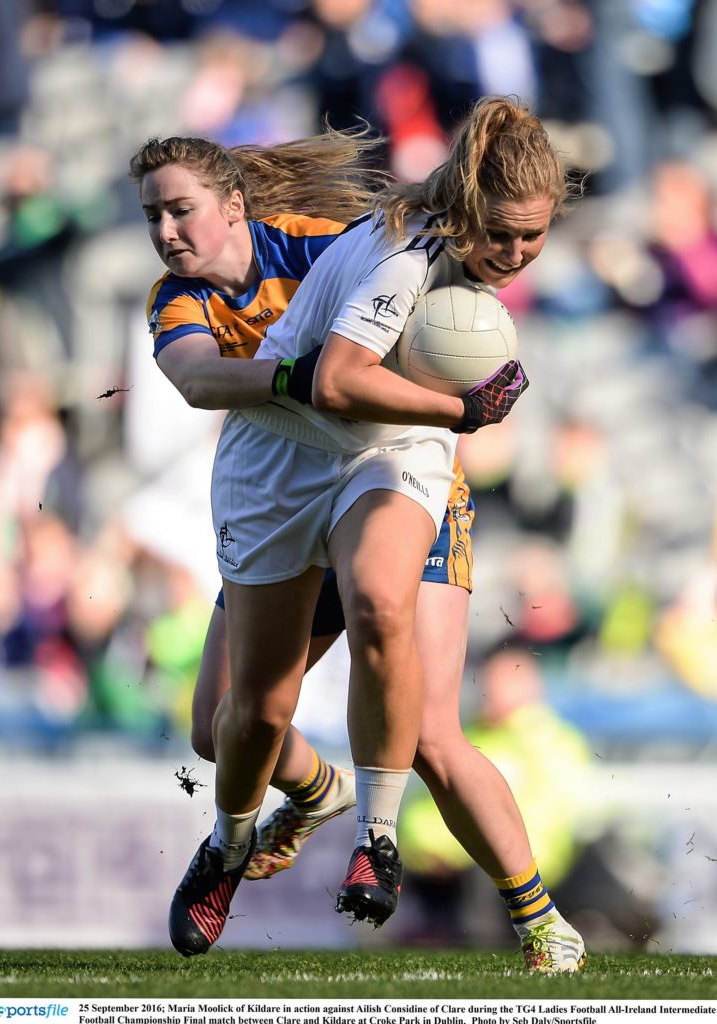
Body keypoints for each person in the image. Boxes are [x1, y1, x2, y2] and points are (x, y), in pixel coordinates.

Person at [131, 99, 585, 974]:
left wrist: (454, 409)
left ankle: (521, 914)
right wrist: (461, 404)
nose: (165, 229)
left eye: (178, 207)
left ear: (234, 205)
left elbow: (397, 345)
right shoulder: (187, 298)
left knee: (423, 705)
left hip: (395, 460)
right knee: (234, 722)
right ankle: (271, 819)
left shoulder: (323, 238)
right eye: (155, 213)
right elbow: (221, 380)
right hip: (283, 468)